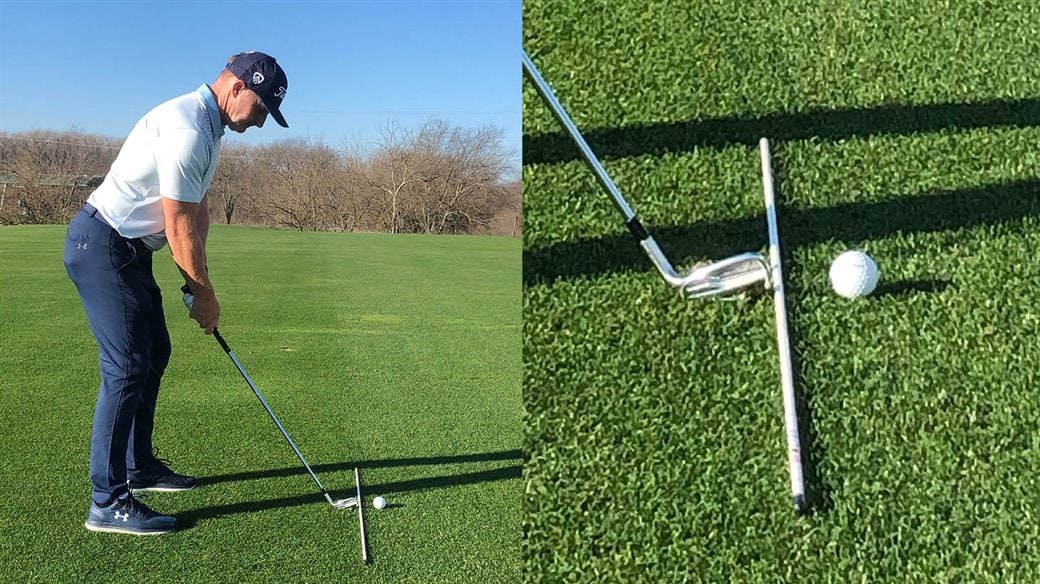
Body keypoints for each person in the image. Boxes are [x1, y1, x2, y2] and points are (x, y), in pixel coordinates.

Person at [63, 51, 289, 535]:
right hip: (104, 243)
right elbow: (178, 223)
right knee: (126, 366)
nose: (263, 121)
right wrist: (204, 296)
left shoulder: (209, 128)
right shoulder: (188, 128)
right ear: (237, 88)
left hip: (128, 250)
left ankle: (137, 465)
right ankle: (107, 501)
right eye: (263, 109)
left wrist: (199, 280)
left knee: (155, 351)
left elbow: (198, 211)